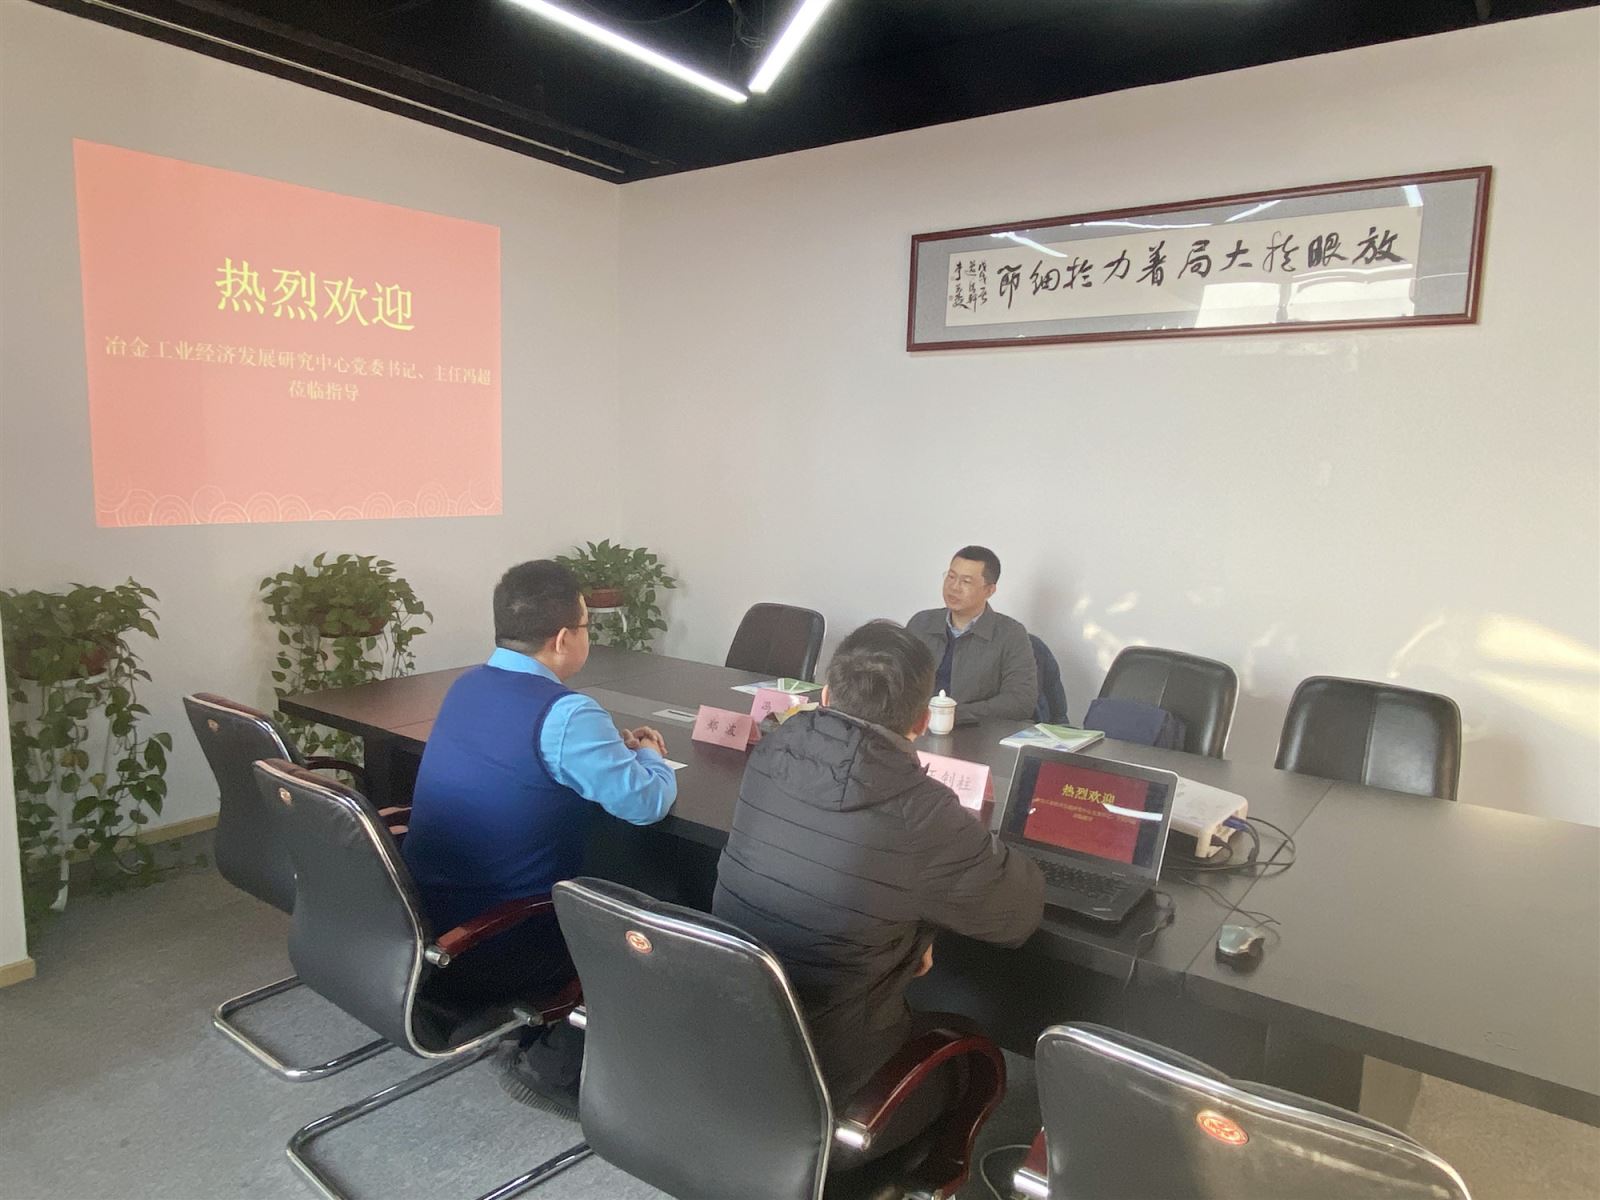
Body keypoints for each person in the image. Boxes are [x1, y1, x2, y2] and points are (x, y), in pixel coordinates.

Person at [713, 620, 1043, 1168]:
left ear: (824, 696)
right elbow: (1018, 914)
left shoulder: (771, 752)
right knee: (972, 1066)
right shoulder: (922, 810)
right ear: (921, 721)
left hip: (726, 1037)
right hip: (832, 1087)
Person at [401, 559, 676, 1110]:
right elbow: (646, 803)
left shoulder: (467, 685)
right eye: (587, 627)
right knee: (656, 910)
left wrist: (605, 753)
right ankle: (555, 1065)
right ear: (562, 638)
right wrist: (650, 755)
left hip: (422, 917)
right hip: (502, 938)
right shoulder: (567, 714)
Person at [907, 545, 1039, 722]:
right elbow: (897, 682)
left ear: (989, 590)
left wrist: (952, 714)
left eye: (966, 582)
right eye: (951, 577)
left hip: (977, 731)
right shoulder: (921, 624)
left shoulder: (1011, 634)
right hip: (917, 727)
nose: (954, 587)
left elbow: (1020, 702)